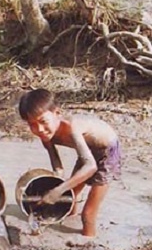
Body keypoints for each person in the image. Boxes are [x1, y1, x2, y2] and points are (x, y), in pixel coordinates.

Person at [18, 88, 121, 237]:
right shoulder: (45, 134)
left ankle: (87, 243)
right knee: (71, 199)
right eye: (32, 124)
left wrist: (58, 191)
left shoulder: (73, 128)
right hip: (87, 151)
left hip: (107, 152)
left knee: (88, 215)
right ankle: (67, 225)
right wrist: (55, 184)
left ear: (57, 113)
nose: (39, 129)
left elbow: (91, 166)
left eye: (43, 121)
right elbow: (57, 164)